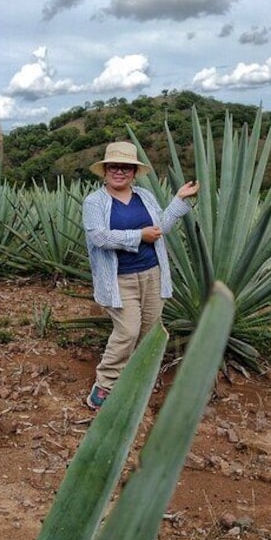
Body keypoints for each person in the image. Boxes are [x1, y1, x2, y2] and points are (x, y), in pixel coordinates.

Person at [82, 141, 200, 410]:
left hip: (152, 274)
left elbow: (159, 228)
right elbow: (99, 237)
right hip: (119, 279)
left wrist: (179, 199)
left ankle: (138, 379)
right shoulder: (95, 202)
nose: (119, 171)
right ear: (105, 170)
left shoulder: (144, 196)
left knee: (149, 332)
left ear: (134, 172)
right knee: (127, 331)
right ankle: (104, 386)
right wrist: (139, 235)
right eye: (114, 166)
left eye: (126, 167)